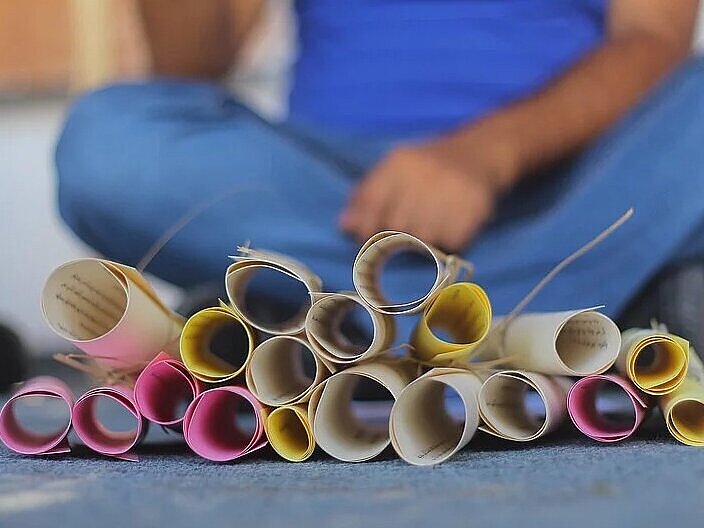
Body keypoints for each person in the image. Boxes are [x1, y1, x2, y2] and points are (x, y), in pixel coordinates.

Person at [55, 0, 704, 345]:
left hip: (574, 183)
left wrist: (483, 155)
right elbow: (192, 65)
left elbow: (653, 36)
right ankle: (573, 314)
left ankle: (307, 314)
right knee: (109, 146)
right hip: (340, 202)